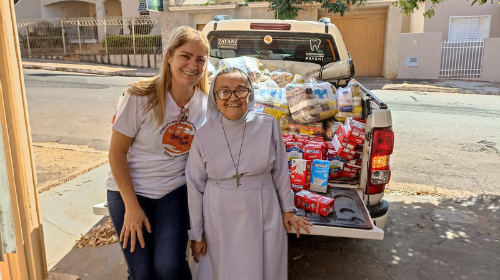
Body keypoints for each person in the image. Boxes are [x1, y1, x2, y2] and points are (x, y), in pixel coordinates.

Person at [186, 67, 312, 280]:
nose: (232, 97)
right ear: (215, 98)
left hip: (263, 209)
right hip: (218, 214)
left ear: (250, 94)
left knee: (263, 267)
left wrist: (287, 210)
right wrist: (197, 234)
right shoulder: (203, 134)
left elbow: (281, 172)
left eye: (240, 90)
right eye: (224, 91)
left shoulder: (268, 125)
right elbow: (195, 186)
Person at [106, 26, 210, 280]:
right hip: (130, 192)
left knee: (169, 267)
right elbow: (116, 153)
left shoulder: (206, 104)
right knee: (142, 274)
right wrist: (132, 207)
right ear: (169, 57)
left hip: (174, 192)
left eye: (200, 60)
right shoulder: (140, 97)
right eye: (185, 56)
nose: (192, 65)